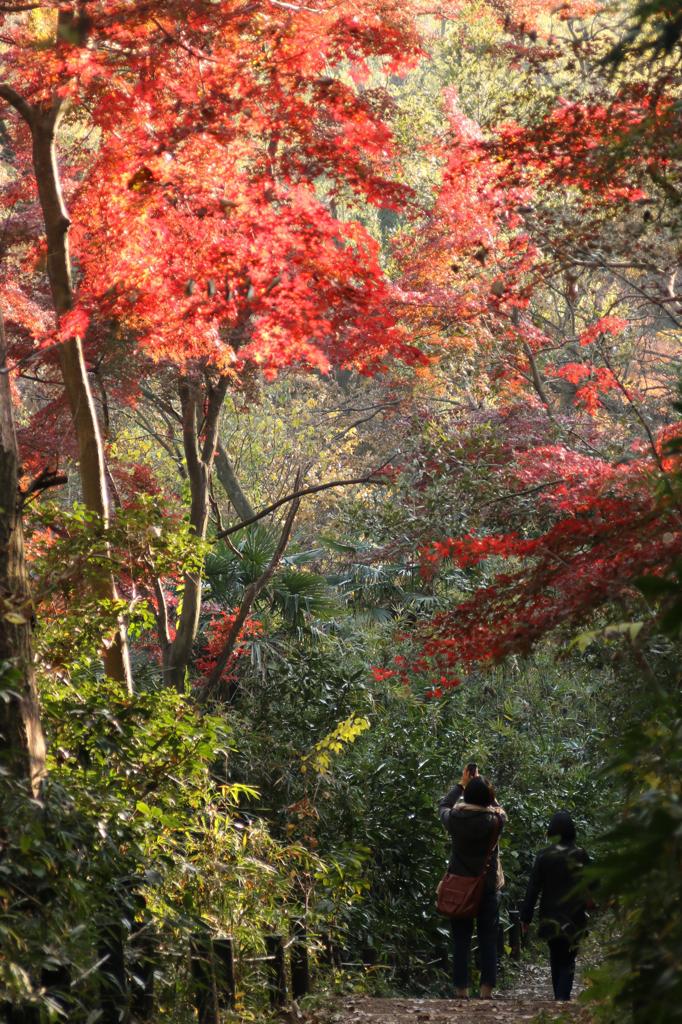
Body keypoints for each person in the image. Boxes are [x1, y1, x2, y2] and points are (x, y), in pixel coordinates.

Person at [438, 775, 506, 1000]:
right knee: (488, 939)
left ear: (466, 796)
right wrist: (489, 795)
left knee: (461, 940)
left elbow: (443, 805)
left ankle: (461, 990)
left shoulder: (456, 818)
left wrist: (460, 784)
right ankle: (486, 991)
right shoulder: (496, 821)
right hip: (487, 886)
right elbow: (499, 809)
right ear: (489, 798)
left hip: (459, 886)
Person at [520, 811, 591, 1002]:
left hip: (550, 915)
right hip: (575, 916)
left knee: (555, 955)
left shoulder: (544, 856)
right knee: (568, 958)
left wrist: (525, 917)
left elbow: (533, 888)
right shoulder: (581, 855)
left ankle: (559, 998)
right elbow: (592, 884)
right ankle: (562, 998)